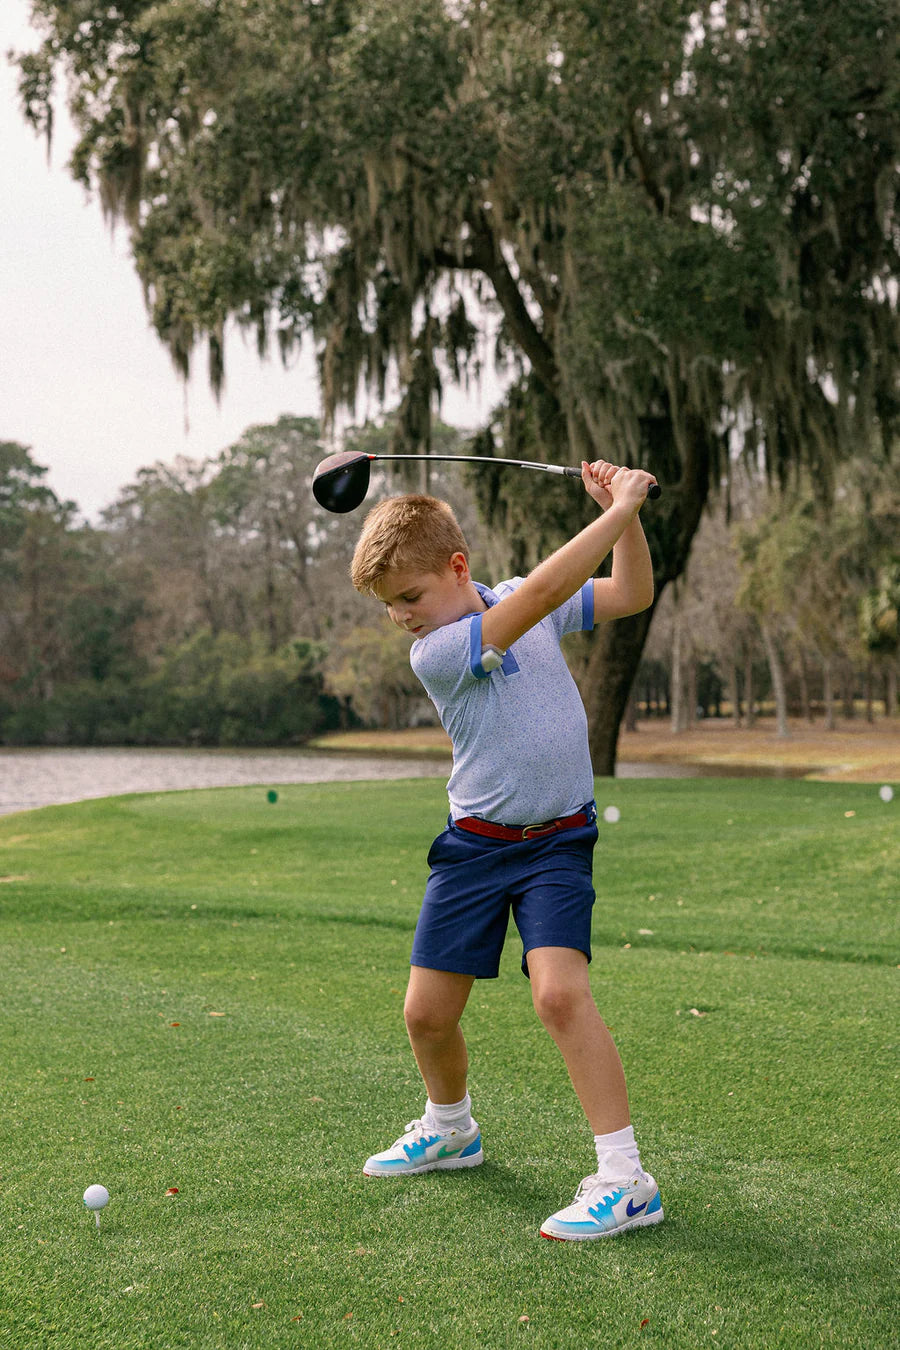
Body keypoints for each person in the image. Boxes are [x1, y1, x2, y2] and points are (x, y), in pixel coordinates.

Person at [349, 458, 663, 1241]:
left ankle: (626, 1180)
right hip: (475, 848)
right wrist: (616, 508)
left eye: (410, 598)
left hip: (558, 840)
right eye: (391, 607)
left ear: (458, 567)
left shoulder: (514, 602)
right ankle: (450, 1127)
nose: (403, 618)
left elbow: (631, 594)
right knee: (426, 1015)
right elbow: (547, 594)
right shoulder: (440, 652)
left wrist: (629, 518)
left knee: (559, 995)